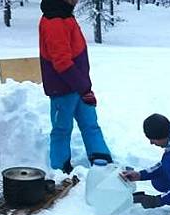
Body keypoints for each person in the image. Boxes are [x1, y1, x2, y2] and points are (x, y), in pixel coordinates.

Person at [39, 0, 112, 174]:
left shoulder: (65, 13)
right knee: (62, 130)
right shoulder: (54, 20)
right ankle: (60, 170)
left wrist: (84, 87)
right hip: (63, 88)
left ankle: (103, 163)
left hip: (79, 85)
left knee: (91, 125)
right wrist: (84, 88)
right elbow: (62, 62)